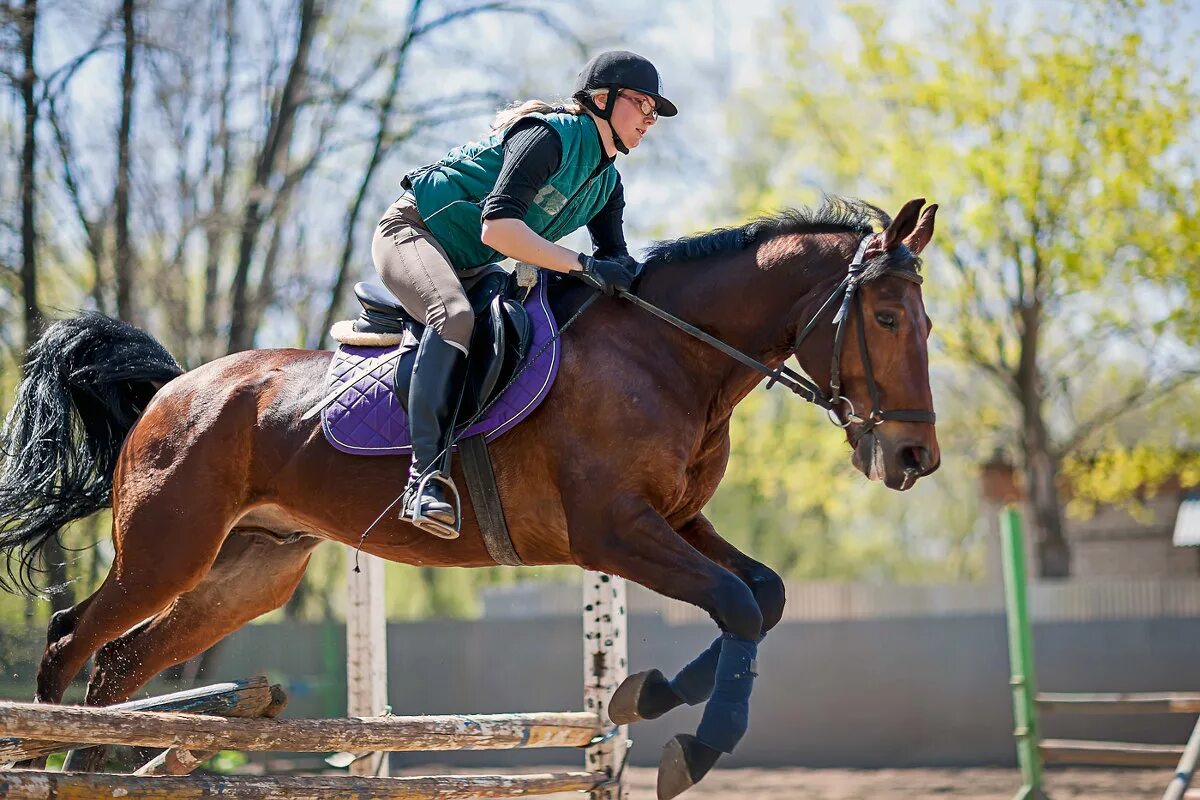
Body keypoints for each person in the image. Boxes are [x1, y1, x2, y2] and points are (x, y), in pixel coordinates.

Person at [371, 50, 677, 538]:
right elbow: (498, 229)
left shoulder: (607, 183)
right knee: (451, 316)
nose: (649, 117)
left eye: (653, 110)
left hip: (471, 264)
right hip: (413, 231)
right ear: (602, 99)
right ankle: (423, 481)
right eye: (641, 103)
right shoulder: (548, 136)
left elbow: (615, 266)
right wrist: (583, 265)